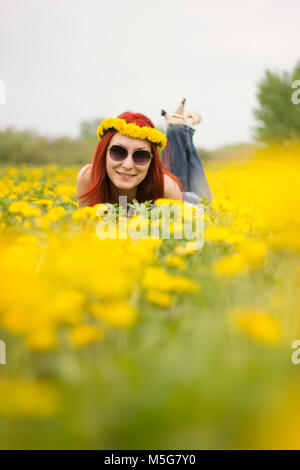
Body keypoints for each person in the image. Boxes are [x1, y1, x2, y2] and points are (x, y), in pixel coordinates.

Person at [76, 102, 212, 209]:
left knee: (201, 201)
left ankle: (182, 127)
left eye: (141, 156)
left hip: (189, 204)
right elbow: (86, 228)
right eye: (118, 152)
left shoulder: (168, 188)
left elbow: (177, 236)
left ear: (152, 161)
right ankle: (181, 125)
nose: (128, 165)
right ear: (104, 152)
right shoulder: (88, 178)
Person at [161, 98, 212, 204]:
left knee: (191, 198)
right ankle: (182, 128)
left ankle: (180, 128)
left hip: (179, 203)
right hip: (189, 203)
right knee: (199, 199)